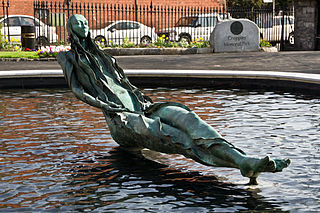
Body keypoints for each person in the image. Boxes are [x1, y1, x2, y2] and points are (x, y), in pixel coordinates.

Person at [58, 14, 290, 184]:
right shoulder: (67, 57)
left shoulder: (104, 56)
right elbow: (77, 90)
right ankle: (241, 164)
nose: (84, 26)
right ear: (70, 27)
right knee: (179, 139)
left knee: (190, 119)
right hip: (122, 120)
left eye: (86, 22)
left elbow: (124, 85)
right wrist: (105, 105)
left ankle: (244, 160)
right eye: (78, 23)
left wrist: (140, 102)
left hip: (143, 106)